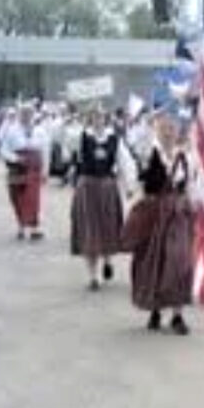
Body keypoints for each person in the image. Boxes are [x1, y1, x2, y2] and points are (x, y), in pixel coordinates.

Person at [120, 111, 195, 335]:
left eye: (172, 129)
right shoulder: (149, 153)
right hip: (154, 215)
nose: (168, 133)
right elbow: (137, 143)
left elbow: (191, 186)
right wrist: (149, 119)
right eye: (164, 129)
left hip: (178, 216)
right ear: (157, 131)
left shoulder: (185, 157)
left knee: (180, 262)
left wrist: (191, 207)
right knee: (154, 262)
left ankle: (178, 314)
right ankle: (156, 310)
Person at [70, 106, 136, 290]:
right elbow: (67, 146)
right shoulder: (81, 136)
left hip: (107, 186)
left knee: (107, 228)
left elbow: (125, 161)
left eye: (100, 117)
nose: (98, 120)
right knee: (89, 231)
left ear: (105, 119)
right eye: (94, 117)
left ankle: (107, 260)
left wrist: (130, 185)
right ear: (90, 119)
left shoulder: (114, 138)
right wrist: (77, 125)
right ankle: (93, 276)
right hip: (87, 188)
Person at [0, 104, 51, 241]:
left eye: (29, 113)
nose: (26, 116)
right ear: (20, 114)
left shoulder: (40, 130)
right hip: (17, 167)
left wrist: (45, 171)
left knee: (33, 198)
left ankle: (34, 229)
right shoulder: (12, 130)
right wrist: (15, 158)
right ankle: (21, 226)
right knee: (16, 197)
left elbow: (45, 151)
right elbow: (3, 150)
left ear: (33, 115)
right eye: (24, 113)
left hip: (34, 167)